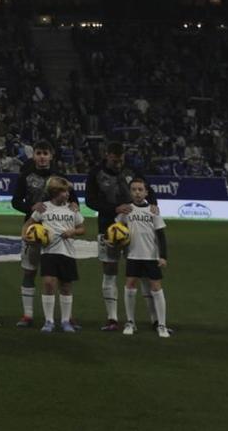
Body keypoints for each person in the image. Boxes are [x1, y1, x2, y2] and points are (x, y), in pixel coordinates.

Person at [8, 141, 63, 327]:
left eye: (45, 153)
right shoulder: (26, 176)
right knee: (29, 272)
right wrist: (30, 207)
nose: (41, 157)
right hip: (31, 230)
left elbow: (70, 199)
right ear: (34, 156)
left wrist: (75, 205)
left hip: (56, 231)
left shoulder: (59, 176)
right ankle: (28, 315)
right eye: (38, 153)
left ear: (51, 155)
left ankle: (64, 317)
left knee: (59, 275)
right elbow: (15, 201)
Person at [85, 141, 137, 332]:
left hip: (135, 227)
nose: (118, 164)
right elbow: (90, 201)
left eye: (120, 160)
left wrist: (153, 203)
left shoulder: (132, 170)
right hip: (108, 229)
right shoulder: (95, 173)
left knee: (139, 270)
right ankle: (112, 318)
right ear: (107, 155)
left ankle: (147, 319)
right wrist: (113, 209)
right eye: (115, 160)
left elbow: (146, 190)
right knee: (110, 269)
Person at [28, 175, 85, 334]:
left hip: (67, 252)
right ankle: (49, 321)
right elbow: (30, 225)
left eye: (67, 192)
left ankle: (66, 321)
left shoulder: (72, 209)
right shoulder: (43, 208)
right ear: (54, 192)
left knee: (66, 287)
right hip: (49, 251)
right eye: (64, 192)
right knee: (48, 283)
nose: (67, 195)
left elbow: (82, 228)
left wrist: (73, 231)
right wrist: (29, 237)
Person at [115, 175, 169, 338]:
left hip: (151, 256)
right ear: (130, 192)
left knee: (156, 288)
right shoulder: (126, 211)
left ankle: (162, 325)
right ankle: (130, 322)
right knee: (130, 286)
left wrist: (163, 256)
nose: (137, 193)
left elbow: (161, 236)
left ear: (146, 192)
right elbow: (118, 231)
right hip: (132, 255)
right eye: (134, 190)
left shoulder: (153, 211)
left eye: (140, 190)